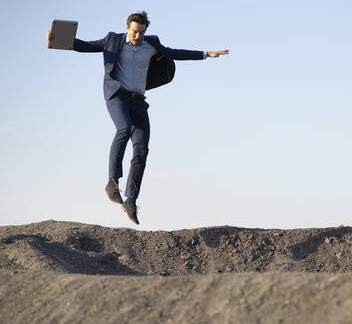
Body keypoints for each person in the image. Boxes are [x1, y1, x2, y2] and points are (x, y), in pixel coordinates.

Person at [46, 11, 229, 225]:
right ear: (127, 28)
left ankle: (131, 200)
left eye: (141, 32)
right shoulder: (112, 40)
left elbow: (174, 53)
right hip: (118, 97)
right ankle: (112, 183)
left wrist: (206, 54)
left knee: (141, 149)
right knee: (124, 128)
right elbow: (85, 45)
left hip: (139, 100)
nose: (137, 36)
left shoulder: (151, 45)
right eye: (134, 32)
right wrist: (59, 39)